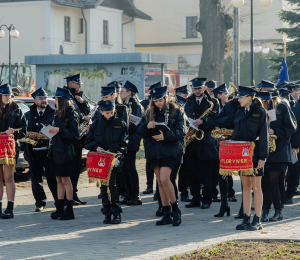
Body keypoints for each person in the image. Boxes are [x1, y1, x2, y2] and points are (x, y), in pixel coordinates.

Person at [137, 86, 187, 226]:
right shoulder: (149, 113)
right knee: (159, 181)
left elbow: (181, 132)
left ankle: (175, 209)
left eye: (160, 100)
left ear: (166, 98)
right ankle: (166, 213)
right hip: (154, 151)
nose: (158, 103)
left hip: (170, 150)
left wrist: (165, 136)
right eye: (156, 101)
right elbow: (139, 130)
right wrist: (147, 126)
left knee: (165, 179)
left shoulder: (177, 111)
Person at [85, 100, 128, 224]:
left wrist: (114, 148)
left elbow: (124, 141)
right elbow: (88, 142)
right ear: (101, 112)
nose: (110, 115)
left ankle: (116, 212)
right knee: (104, 186)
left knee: (112, 185)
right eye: (107, 113)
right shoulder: (95, 125)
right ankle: (107, 212)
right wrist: (96, 147)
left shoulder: (120, 123)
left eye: (112, 112)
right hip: (100, 160)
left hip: (114, 159)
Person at [234, 86, 269, 231]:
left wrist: (262, 157)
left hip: (255, 154)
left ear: (249, 97)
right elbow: (236, 134)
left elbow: (264, 136)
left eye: (241, 97)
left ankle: (257, 218)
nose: (238, 99)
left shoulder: (260, 112)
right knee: (246, 186)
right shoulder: (239, 112)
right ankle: (246, 217)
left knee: (256, 186)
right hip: (242, 155)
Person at [258, 91, 296, 222]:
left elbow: (292, 127)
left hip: (280, 149)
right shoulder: (258, 107)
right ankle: (277, 212)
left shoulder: (282, 106)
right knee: (268, 182)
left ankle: (265, 211)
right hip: (264, 150)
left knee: (272, 181)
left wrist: (275, 131)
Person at [184, 78, 220, 209]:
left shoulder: (213, 102)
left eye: (199, 88)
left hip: (206, 141)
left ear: (204, 89)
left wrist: (204, 122)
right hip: (192, 141)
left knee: (206, 174)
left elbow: (217, 120)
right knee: (192, 172)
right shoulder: (188, 101)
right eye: (194, 89)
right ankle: (195, 198)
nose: (197, 91)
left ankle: (207, 199)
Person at [23, 87, 57, 212]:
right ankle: (40, 202)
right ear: (35, 100)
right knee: (36, 179)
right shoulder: (27, 115)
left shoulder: (53, 113)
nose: (43, 101)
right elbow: (23, 132)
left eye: (44, 98)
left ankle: (58, 201)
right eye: (40, 98)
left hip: (49, 152)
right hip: (33, 152)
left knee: (52, 178)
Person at [93, 85, 129, 199]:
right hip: (103, 151)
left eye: (106, 97)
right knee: (104, 180)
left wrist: (115, 147)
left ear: (114, 95)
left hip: (115, 150)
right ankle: (106, 201)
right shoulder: (101, 107)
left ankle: (117, 199)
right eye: (103, 97)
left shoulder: (121, 108)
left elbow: (124, 128)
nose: (104, 99)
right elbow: (96, 122)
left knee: (116, 178)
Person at [49, 87, 79, 221]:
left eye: (56, 99)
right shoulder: (57, 113)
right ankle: (59, 208)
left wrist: (59, 130)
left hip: (66, 151)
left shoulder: (71, 113)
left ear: (61, 100)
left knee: (66, 180)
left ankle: (70, 210)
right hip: (56, 151)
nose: (54, 101)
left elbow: (74, 135)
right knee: (58, 180)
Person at [0, 84, 26, 219]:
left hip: (9, 148)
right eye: (5, 94)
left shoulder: (16, 108)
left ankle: (10, 208)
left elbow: (23, 129)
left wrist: (13, 133)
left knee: (9, 178)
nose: (8, 97)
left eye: (9, 94)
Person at [64, 74, 90, 205]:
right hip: (69, 140)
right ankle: (66, 197)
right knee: (68, 169)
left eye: (80, 83)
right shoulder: (65, 96)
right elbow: (69, 116)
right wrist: (81, 118)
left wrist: (84, 103)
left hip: (79, 140)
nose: (80, 85)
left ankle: (73, 193)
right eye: (77, 83)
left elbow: (87, 113)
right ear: (70, 84)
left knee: (76, 169)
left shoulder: (80, 97)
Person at [119, 81, 144, 206]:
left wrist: (122, 125)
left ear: (129, 93)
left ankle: (136, 195)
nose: (120, 93)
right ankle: (128, 194)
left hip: (132, 141)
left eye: (122, 91)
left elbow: (135, 125)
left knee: (130, 168)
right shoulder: (123, 104)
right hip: (123, 141)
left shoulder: (136, 106)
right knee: (124, 168)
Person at [174, 85, 191, 202]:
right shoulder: (174, 106)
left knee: (186, 169)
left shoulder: (189, 103)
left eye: (186, 95)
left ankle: (185, 191)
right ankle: (181, 192)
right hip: (178, 140)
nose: (186, 97)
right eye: (184, 95)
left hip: (189, 140)